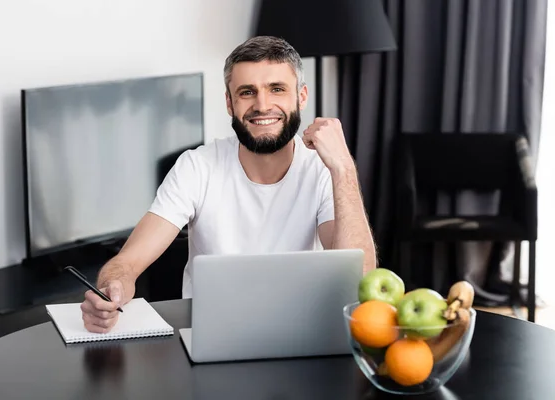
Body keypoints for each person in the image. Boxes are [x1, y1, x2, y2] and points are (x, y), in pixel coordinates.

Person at [81, 36, 377, 333]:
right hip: (213, 334)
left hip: (302, 330)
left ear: (301, 97)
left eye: (277, 89)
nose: (262, 105)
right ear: (229, 103)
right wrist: (112, 288)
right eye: (247, 92)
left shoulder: (324, 169)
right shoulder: (196, 167)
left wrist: (344, 169)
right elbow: (128, 262)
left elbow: (360, 283)